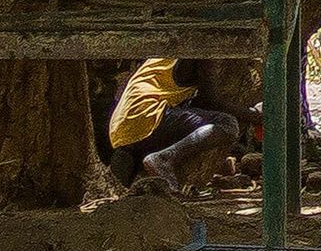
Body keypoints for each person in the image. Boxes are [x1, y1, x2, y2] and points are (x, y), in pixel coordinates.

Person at [107, 59, 258, 190]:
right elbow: (210, 101)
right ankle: (164, 159)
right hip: (148, 116)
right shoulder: (202, 48)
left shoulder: (173, 47)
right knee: (227, 124)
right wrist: (256, 116)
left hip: (121, 129)